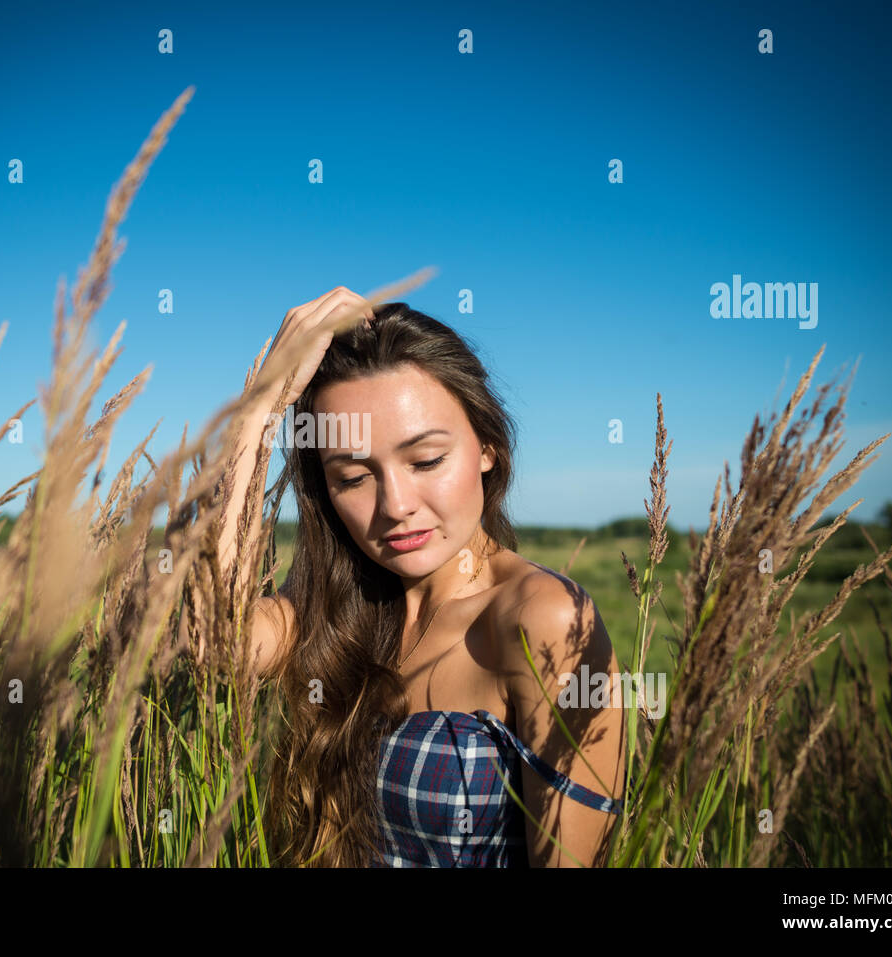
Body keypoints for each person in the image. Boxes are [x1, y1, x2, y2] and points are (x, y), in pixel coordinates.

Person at [199, 286, 627, 867]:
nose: (396, 504)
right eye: (352, 477)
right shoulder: (335, 606)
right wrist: (261, 407)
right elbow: (211, 644)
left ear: (487, 447)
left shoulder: (545, 619)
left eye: (426, 460)